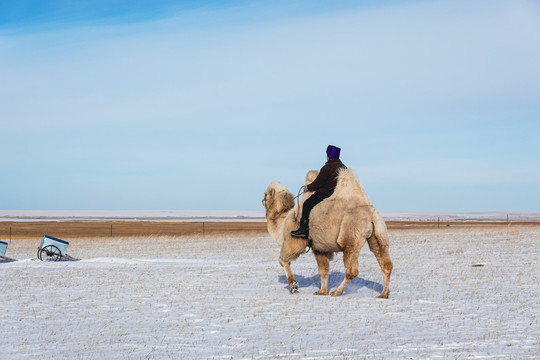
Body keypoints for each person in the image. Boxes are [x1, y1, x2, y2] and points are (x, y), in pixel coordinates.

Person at [291, 145, 347, 238]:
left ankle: (303, 229)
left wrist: (308, 187)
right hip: (339, 195)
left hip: (325, 194)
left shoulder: (327, 168)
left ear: (328, 155)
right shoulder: (344, 167)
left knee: (306, 204)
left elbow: (317, 183)